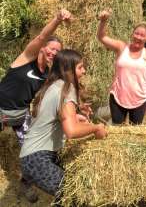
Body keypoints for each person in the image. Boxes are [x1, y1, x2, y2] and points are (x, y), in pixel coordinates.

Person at [0, 9, 72, 202]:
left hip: (20, 115)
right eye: (52, 48)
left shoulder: (47, 76)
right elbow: (42, 36)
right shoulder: (26, 59)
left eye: (58, 51)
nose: (54, 53)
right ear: (42, 48)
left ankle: (26, 182)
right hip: (0, 109)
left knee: (32, 149)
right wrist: (57, 19)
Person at [19, 49, 107, 202]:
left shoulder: (54, 85)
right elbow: (71, 131)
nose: (84, 71)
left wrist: (76, 116)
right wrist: (96, 128)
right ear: (67, 69)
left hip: (33, 155)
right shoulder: (66, 89)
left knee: (68, 196)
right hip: (37, 158)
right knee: (74, 194)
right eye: (80, 67)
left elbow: (54, 117)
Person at [97, 10, 146, 125]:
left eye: (142, 35)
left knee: (135, 131)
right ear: (132, 34)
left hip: (139, 99)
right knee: (117, 130)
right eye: (137, 33)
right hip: (118, 96)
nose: (138, 37)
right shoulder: (121, 47)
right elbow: (102, 37)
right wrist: (103, 21)